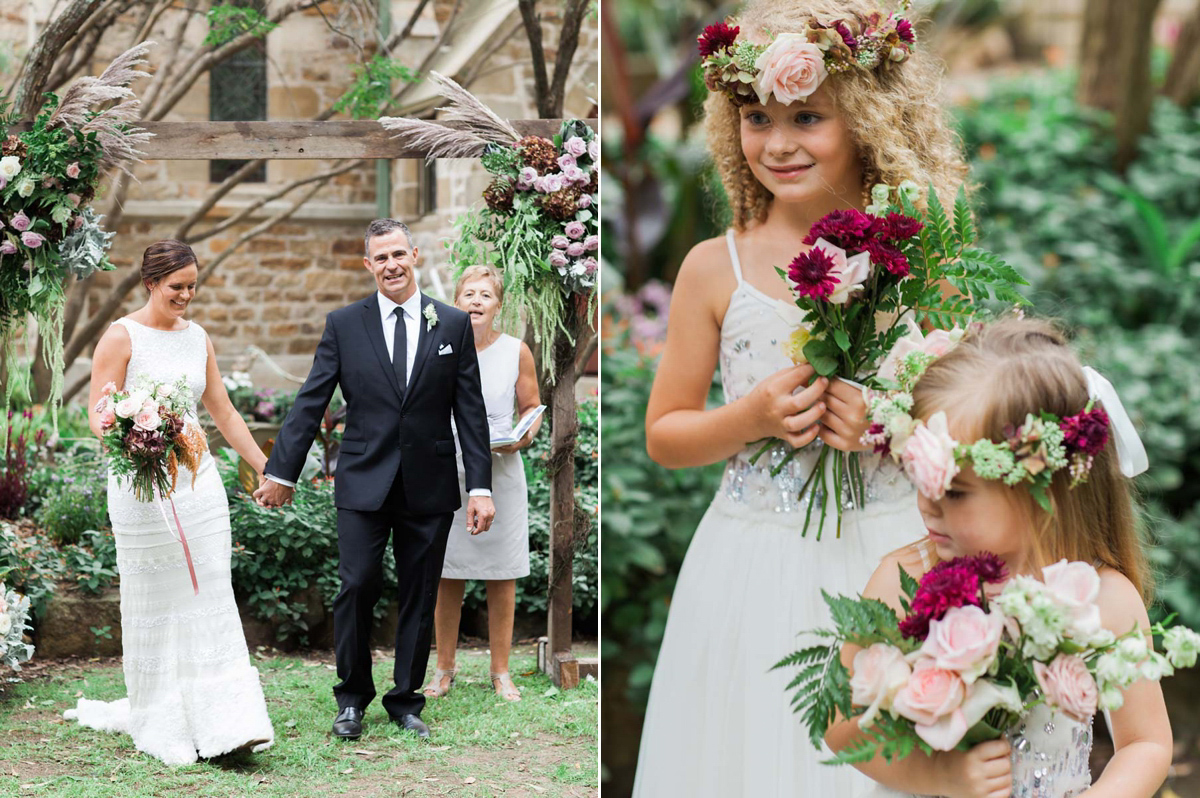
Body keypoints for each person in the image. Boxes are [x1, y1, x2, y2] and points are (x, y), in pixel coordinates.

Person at [633, 1, 968, 795]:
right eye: (755, 118)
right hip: (751, 559)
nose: (777, 144)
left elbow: (970, 420)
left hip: (890, 555)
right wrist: (746, 419)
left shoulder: (924, 257)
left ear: (868, 118)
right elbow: (666, 435)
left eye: (807, 117)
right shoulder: (717, 269)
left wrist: (891, 425)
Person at [829, 317, 1171, 798]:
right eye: (920, 476)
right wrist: (937, 777)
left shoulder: (1104, 599)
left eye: (957, 491)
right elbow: (840, 722)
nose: (928, 502)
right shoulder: (905, 578)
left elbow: (1146, 742)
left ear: (1041, 489)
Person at [253, 218, 495, 741]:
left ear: (415, 256)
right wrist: (281, 472)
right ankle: (352, 700)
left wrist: (480, 487)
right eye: (380, 258)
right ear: (369, 266)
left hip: (428, 483)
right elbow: (311, 400)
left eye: (399, 255)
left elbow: (469, 411)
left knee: (419, 591)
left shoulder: (451, 323)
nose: (391, 265)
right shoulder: (344, 324)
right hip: (363, 480)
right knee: (357, 585)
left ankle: (406, 701)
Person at [66, 240, 274, 765]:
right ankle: (165, 714)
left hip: (198, 484)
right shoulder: (121, 335)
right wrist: (124, 427)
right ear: (151, 282)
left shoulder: (197, 336)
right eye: (177, 286)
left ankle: (229, 722)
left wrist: (264, 466)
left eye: (192, 286)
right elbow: (97, 410)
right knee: (158, 598)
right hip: (142, 486)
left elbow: (222, 411)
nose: (186, 295)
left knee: (209, 593)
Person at [422, 265, 542, 703]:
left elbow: (530, 408)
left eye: (485, 295)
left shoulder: (516, 351)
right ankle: (443, 670)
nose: (476, 301)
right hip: (446, 470)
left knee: (501, 574)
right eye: (468, 294)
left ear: (498, 305)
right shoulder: (439, 347)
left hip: (501, 472)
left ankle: (501, 672)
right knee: (446, 573)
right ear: (456, 303)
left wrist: (520, 439)